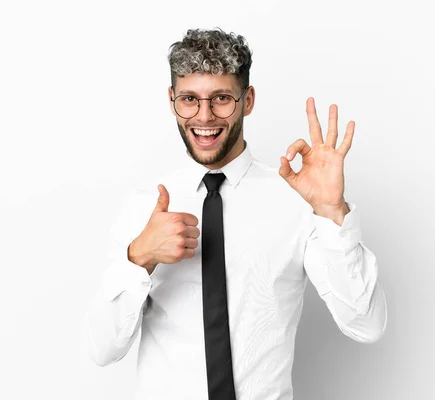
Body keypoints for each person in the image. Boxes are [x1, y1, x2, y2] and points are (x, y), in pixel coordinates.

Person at [84, 28, 387, 400]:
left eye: (222, 98)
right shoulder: (144, 206)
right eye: (189, 99)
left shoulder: (295, 200)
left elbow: (367, 324)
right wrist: (139, 258)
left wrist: (330, 211)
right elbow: (102, 349)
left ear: (248, 100)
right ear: (171, 99)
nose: (204, 117)